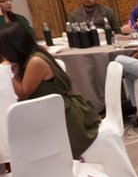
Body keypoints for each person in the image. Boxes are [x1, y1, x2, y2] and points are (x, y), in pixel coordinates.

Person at [0, 22, 100, 158]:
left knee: (20, 139)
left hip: (64, 118)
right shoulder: (32, 55)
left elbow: (23, 93)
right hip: (50, 111)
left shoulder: (35, 61)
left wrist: (9, 71)